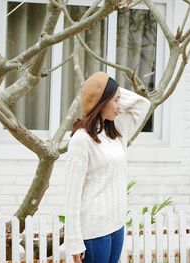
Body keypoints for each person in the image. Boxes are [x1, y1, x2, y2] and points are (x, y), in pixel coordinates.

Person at [64, 71, 151, 263]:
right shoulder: (81, 140)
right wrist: (74, 242)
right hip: (94, 232)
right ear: (101, 102)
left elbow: (142, 104)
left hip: (116, 226)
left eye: (120, 100)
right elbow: (72, 194)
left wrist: (111, 88)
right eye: (115, 101)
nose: (120, 106)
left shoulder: (116, 132)